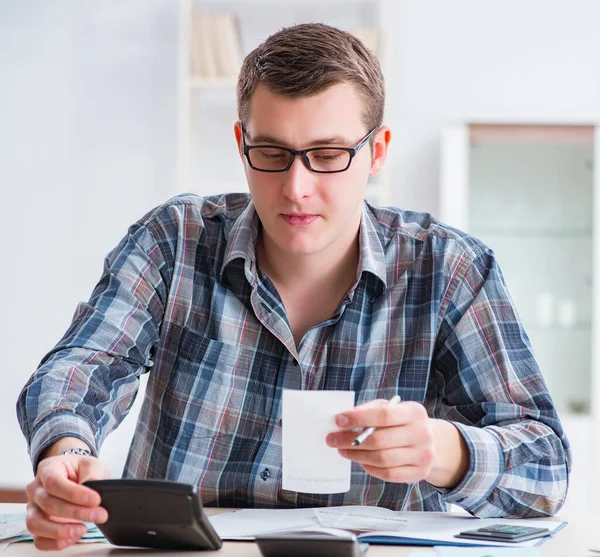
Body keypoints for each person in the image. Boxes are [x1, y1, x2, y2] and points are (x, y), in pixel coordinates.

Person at [17, 22, 571, 552]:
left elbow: (545, 468)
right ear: (241, 144)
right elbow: (82, 365)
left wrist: (447, 452)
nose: (296, 188)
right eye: (273, 155)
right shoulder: (176, 239)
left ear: (376, 152)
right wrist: (66, 453)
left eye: (328, 156)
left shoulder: (450, 269)